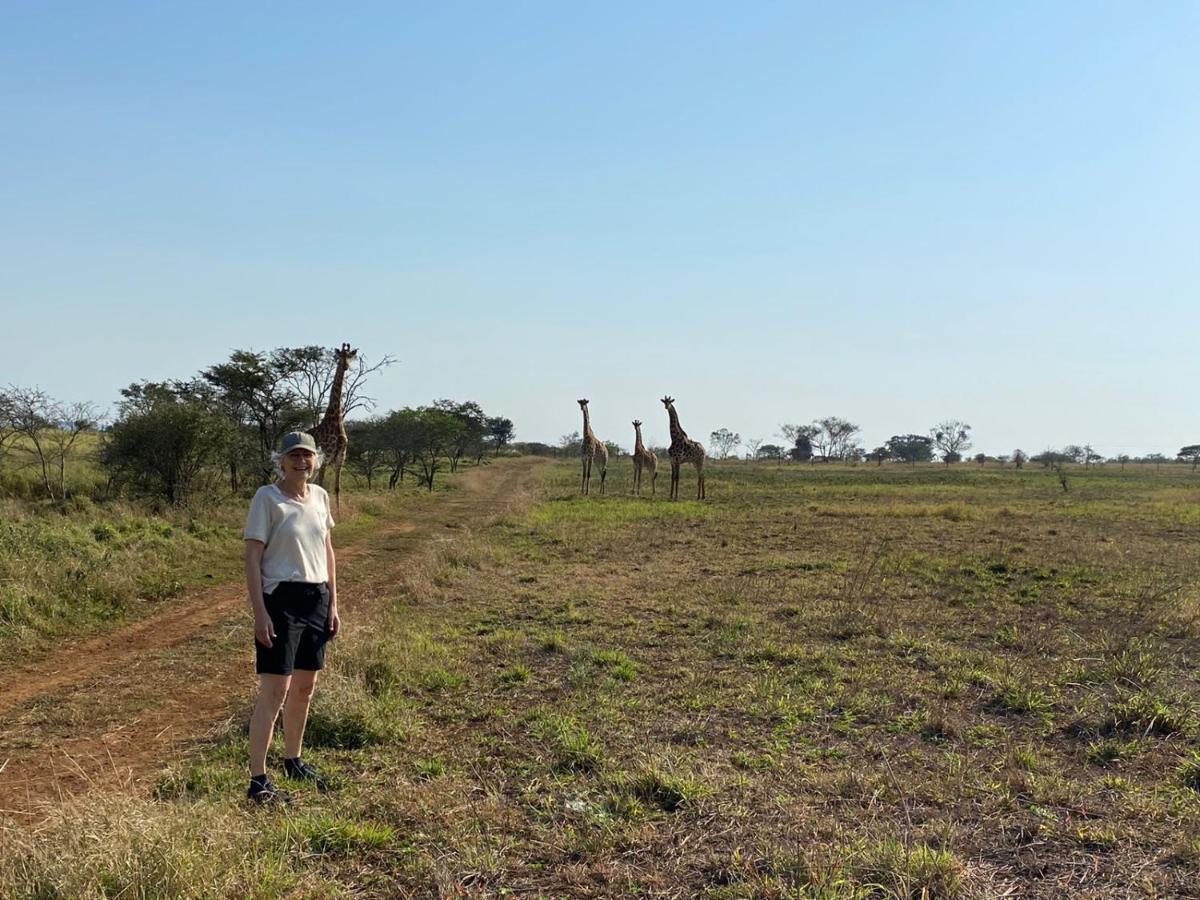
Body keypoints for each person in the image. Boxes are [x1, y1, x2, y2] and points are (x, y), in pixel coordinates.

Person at [243, 430, 341, 804]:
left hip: (316, 597)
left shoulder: (320, 497)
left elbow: (328, 550)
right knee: (275, 690)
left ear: (316, 460)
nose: (302, 461)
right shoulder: (266, 498)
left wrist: (333, 603)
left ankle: (293, 759)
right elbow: (253, 557)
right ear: (281, 460)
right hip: (280, 599)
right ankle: (258, 780)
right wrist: (260, 613)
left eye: (308, 455)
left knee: (304, 687)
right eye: (294, 456)